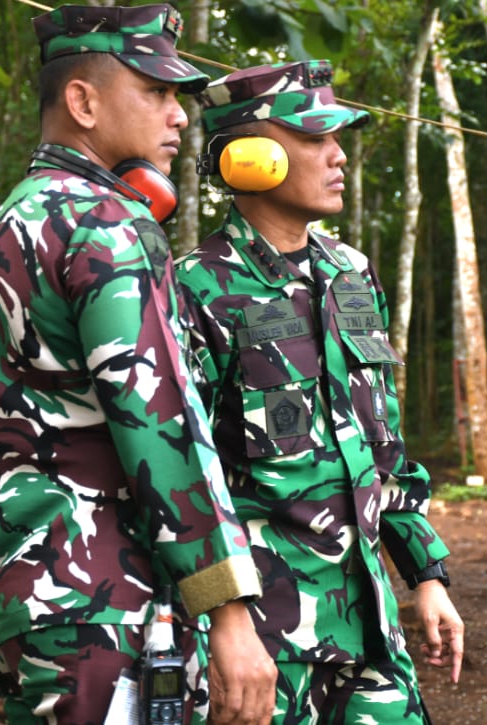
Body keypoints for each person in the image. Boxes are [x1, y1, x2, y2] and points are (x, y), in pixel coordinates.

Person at [0, 3, 275, 725]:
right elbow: (159, 419)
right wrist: (227, 608)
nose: (179, 117)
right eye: (157, 92)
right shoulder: (103, 222)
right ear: (83, 101)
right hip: (104, 598)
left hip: (39, 595)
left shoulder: (18, 217)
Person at [175, 60, 465, 723]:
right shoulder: (194, 289)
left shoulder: (353, 276)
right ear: (250, 158)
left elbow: (382, 448)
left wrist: (424, 574)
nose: (337, 155)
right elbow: (180, 479)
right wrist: (221, 625)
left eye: (338, 137)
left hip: (369, 633)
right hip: (261, 647)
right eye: (315, 137)